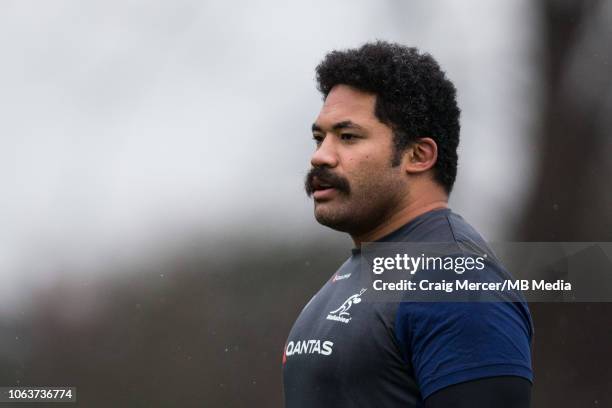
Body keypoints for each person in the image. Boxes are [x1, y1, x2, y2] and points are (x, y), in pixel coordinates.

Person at [283, 41, 533, 408]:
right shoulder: (351, 275)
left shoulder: (455, 282)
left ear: (418, 155)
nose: (320, 156)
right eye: (320, 138)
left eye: (348, 136)